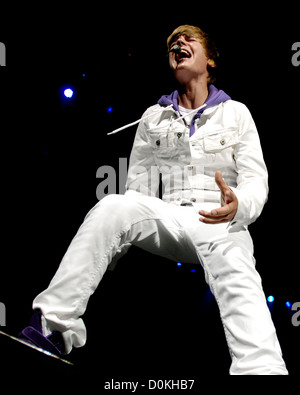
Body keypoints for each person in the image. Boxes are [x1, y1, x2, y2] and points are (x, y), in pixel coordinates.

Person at [20, 25, 288, 375]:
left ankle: (261, 370)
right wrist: (116, 241)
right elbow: (139, 190)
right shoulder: (152, 117)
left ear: (210, 60)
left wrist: (238, 204)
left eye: (188, 39)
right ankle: (52, 326)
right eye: (172, 43)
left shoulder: (236, 113)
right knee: (113, 205)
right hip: (171, 215)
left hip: (221, 218)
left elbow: (256, 181)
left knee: (237, 266)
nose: (178, 43)